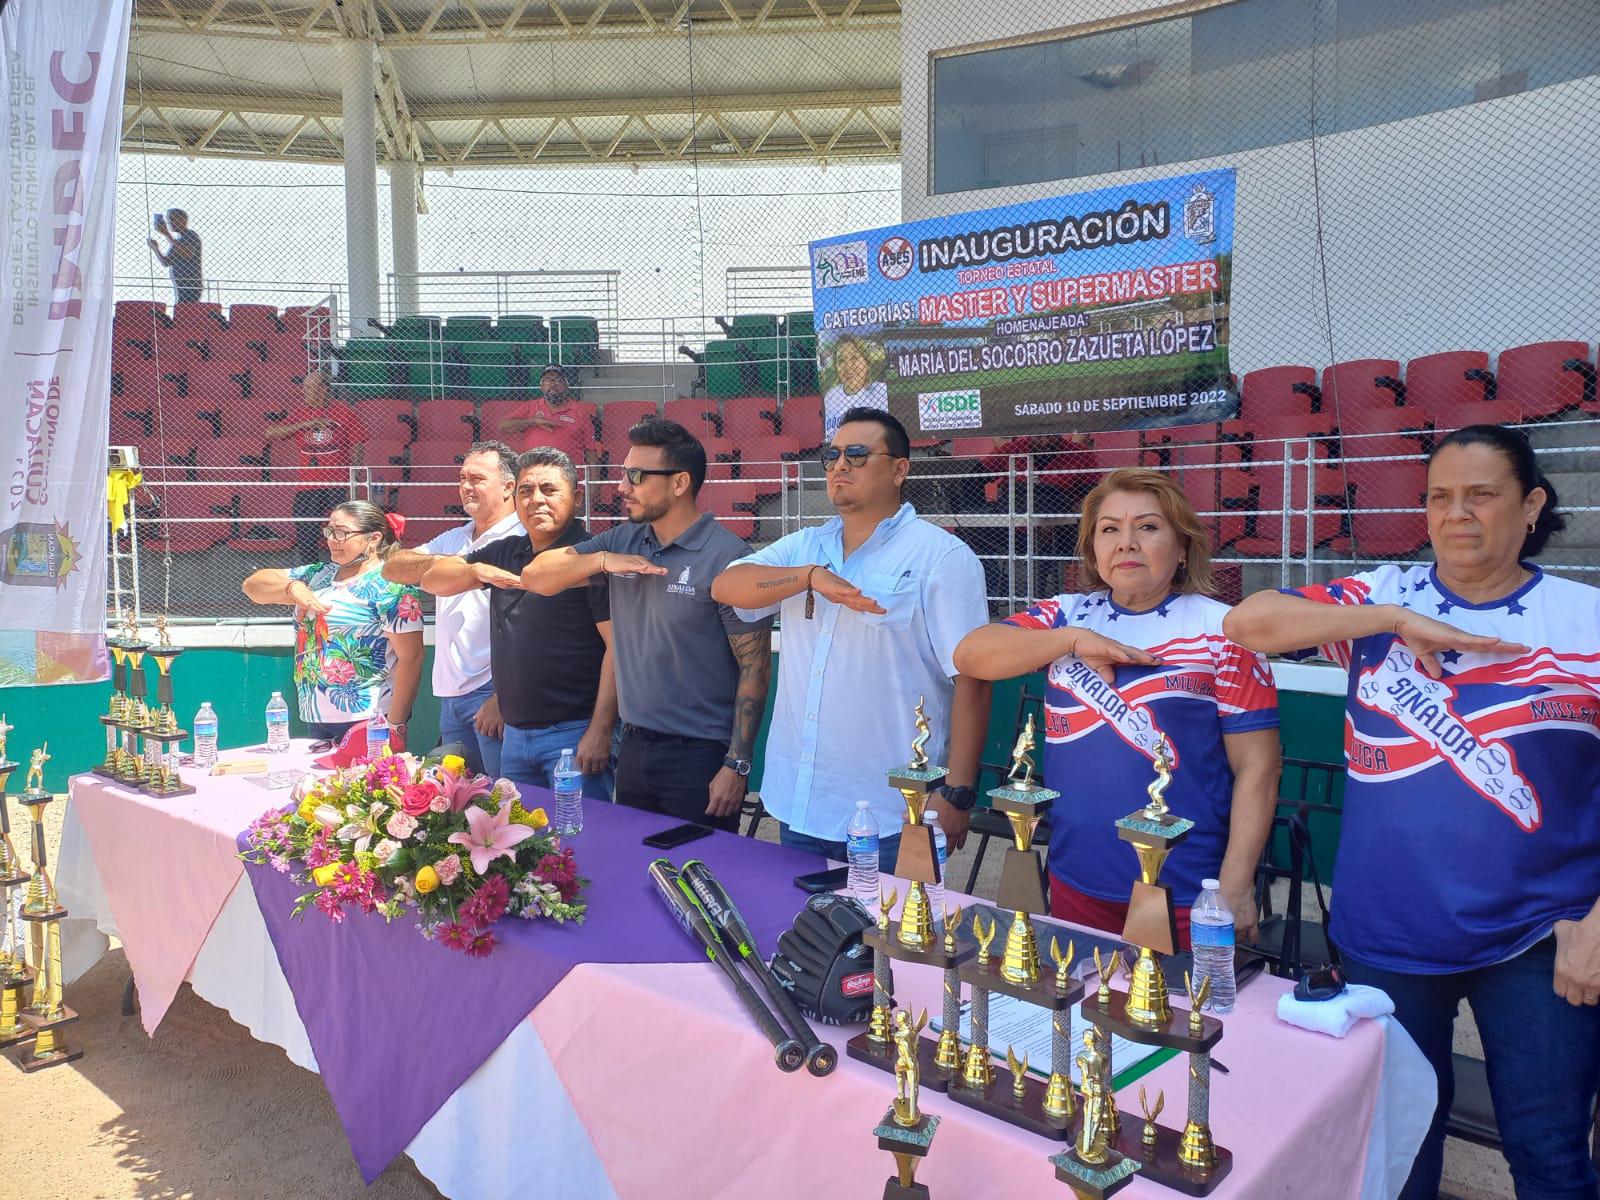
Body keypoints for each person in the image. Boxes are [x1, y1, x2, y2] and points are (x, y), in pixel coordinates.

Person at [1223, 424, 1600, 1200]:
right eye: (1439, 497)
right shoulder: (1382, 596)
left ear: (1532, 505)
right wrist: (1391, 620)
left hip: (1541, 935)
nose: (1457, 514)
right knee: (1397, 1153)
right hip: (1389, 934)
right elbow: (1247, 623)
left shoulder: (1583, 619)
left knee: (1550, 1155)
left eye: (1481, 495)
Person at [954, 467, 1281, 947]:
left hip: (1185, 890)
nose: (1126, 543)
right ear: (1093, 549)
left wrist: (1235, 884)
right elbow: (970, 655)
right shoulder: (1066, 615)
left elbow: (1259, 767)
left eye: (1147, 527)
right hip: (1075, 877)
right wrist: (1070, 640)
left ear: (1183, 546)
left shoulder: (1225, 630)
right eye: (1109, 529)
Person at [712, 407, 992, 864]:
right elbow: (726, 585)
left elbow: (972, 678)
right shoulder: (805, 546)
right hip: (801, 802)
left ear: (899, 469)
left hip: (894, 811)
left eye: (858, 455)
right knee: (806, 913)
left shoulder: (941, 557)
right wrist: (809, 577)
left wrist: (958, 793)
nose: (840, 465)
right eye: (832, 455)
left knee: (895, 915)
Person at [522, 417, 771, 832]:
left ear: (680, 483)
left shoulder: (729, 557)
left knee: (700, 868)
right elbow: (535, 576)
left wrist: (737, 764)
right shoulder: (622, 541)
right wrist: (603, 561)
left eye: (636, 476)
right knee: (636, 863)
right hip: (633, 748)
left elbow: (755, 669)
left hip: (700, 758)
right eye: (623, 474)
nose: (622, 487)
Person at [418, 448, 616, 797]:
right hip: (514, 737)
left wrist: (600, 730)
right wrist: (478, 571)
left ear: (576, 497)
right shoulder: (506, 551)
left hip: (573, 735)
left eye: (549, 489)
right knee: (518, 831)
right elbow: (433, 580)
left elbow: (618, 650)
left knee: (580, 830)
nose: (536, 499)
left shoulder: (589, 556)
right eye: (526, 490)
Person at [382, 442, 521, 776]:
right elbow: (393, 566)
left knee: (503, 798)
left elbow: (537, 630)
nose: (466, 487)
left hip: (494, 690)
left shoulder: (522, 538)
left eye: (477, 479)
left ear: (508, 486)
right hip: (450, 696)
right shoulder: (455, 538)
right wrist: (456, 565)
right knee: (457, 798)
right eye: (462, 479)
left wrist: (504, 697)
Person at [242, 499, 423, 747]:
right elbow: (252, 586)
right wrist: (292, 587)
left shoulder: (391, 585)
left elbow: (411, 658)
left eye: (342, 533)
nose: (332, 540)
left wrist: (395, 723)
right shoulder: (319, 574)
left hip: (369, 718)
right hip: (315, 715)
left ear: (374, 538)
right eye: (329, 531)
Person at [266, 370, 368, 564]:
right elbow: (271, 433)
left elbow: (358, 443)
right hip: (309, 483)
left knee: (343, 528)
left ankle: (346, 567)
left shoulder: (344, 411)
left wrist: (353, 478)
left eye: (309, 388)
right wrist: (306, 424)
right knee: (305, 529)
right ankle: (310, 570)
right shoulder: (300, 413)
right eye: (304, 387)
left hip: (338, 482)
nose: (304, 392)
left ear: (323, 389)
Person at [498, 365, 596, 463]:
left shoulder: (580, 411)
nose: (552, 384)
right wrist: (534, 421)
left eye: (558, 380)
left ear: (567, 386)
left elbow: (591, 449)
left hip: (569, 470)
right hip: (534, 469)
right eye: (547, 380)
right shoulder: (530, 406)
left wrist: (593, 473)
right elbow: (503, 426)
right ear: (541, 386)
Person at [821, 334, 889, 441]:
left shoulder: (882, 391)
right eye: (841, 360)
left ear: (866, 363)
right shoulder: (831, 396)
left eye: (854, 358)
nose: (848, 367)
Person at [147, 208, 202, 304]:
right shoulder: (178, 241)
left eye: (172, 219)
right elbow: (166, 262)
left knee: (185, 307)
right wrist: (155, 248)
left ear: (183, 220)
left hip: (190, 284)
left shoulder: (190, 235)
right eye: (169, 220)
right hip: (182, 285)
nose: (169, 223)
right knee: (181, 307)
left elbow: (187, 254)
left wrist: (167, 234)